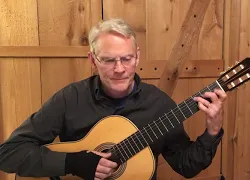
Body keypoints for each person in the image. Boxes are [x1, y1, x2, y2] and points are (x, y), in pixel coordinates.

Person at [0, 18, 226, 180]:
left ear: (137, 55)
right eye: (108, 60)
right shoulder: (70, 99)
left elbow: (187, 167)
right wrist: (72, 163)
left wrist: (212, 131)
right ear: (92, 59)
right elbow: (9, 154)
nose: (119, 69)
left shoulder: (159, 104)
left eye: (127, 59)